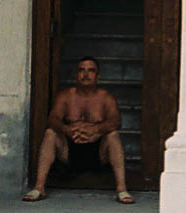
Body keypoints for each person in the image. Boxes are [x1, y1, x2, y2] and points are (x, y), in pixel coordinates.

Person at [22, 55, 133, 203]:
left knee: (113, 135)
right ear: (76, 74)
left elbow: (116, 121)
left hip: (97, 152)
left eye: (91, 71)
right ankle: (39, 187)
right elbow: (52, 119)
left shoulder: (106, 97)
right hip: (70, 151)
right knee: (50, 133)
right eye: (81, 70)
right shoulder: (66, 96)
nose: (86, 74)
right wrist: (66, 129)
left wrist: (96, 130)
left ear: (98, 76)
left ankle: (122, 189)